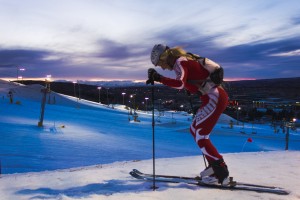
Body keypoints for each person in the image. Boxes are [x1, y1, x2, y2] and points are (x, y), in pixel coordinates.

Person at [147, 44, 229, 185]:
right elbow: (193, 79)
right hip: (211, 97)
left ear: (165, 57)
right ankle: (213, 167)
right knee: (194, 130)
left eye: (160, 63)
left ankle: (220, 172)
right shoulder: (184, 60)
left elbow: (179, 83)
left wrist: (159, 78)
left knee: (201, 135)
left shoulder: (180, 61)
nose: (162, 67)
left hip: (213, 98)